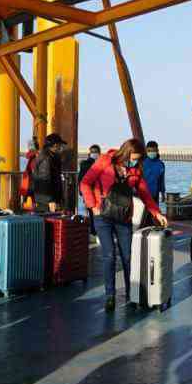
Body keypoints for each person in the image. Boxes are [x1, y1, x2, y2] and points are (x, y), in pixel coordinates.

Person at [80, 138, 168, 312]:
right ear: (127, 152)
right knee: (109, 256)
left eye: (138, 158)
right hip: (102, 216)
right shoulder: (105, 161)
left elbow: (145, 194)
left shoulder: (136, 170)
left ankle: (131, 293)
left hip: (123, 217)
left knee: (128, 256)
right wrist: (92, 206)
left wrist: (157, 213)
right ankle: (110, 296)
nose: (135, 160)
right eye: (135, 157)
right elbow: (85, 183)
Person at [32, 132, 66, 213]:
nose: (61, 147)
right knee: (48, 218)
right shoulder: (46, 158)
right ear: (55, 145)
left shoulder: (52, 156)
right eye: (60, 145)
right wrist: (50, 200)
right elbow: (44, 180)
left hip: (50, 198)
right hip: (46, 201)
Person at [78, 144, 101, 234]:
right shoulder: (86, 164)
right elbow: (81, 179)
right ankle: (93, 231)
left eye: (96, 152)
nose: (94, 154)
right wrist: (82, 192)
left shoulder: (86, 164)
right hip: (90, 192)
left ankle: (93, 231)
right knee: (91, 213)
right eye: (93, 152)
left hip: (94, 192)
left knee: (92, 213)